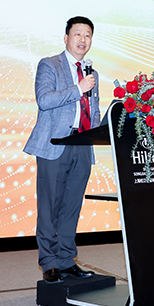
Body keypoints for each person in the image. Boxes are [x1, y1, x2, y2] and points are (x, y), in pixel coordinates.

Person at [24, 16, 101, 284]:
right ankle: (49, 262)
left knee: (71, 207)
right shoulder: (50, 65)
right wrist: (78, 88)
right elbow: (44, 100)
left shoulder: (92, 73)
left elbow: (93, 110)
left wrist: (101, 128)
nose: (83, 39)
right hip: (55, 145)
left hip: (82, 145)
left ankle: (67, 260)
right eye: (78, 34)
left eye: (88, 35)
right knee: (50, 207)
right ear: (66, 38)